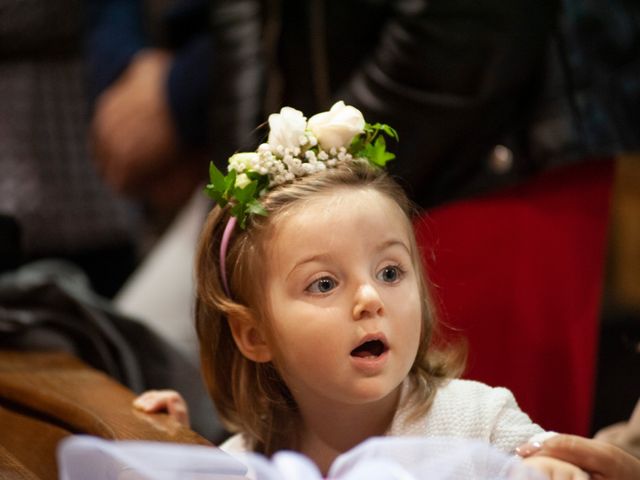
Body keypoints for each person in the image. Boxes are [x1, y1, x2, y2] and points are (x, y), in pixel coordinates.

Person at [134, 102, 588, 478]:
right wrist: (174, 450)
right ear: (255, 336)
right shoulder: (249, 461)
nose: (370, 299)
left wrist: (550, 467)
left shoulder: (479, 421)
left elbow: (546, 462)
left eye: (390, 273)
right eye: (324, 284)